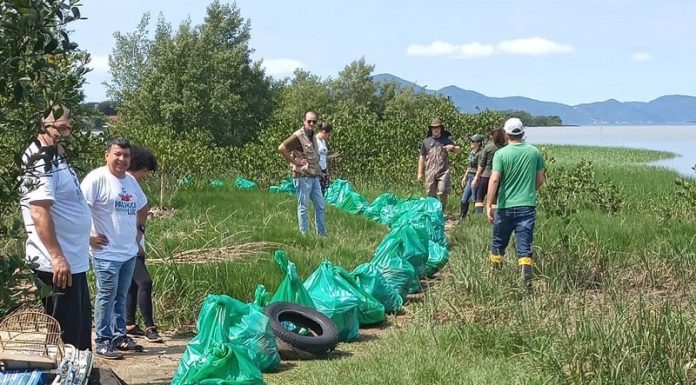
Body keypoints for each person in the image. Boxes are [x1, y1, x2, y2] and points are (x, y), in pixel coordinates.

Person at [19, 106, 92, 351]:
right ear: (42, 125)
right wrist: (57, 256)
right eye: (60, 127)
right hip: (57, 267)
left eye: (68, 127)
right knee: (65, 341)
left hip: (73, 261)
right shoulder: (39, 159)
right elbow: (39, 211)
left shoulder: (56, 155)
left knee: (79, 338)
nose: (66, 133)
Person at [81, 137, 148, 359]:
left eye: (126, 155)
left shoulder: (130, 181)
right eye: (117, 154)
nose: (121, 159)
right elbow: (80, 208)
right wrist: (88, 236)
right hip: (105, 253)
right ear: (107, 155)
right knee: (106, 295)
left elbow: (142, 206)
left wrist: (139, 232)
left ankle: (120, 337)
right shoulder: (96, 179)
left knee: (121, 295)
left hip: (127, 251)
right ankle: (102, 340)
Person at [486, 118, 545, 290]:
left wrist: (489, 204)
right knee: (524, 245)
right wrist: (528, 191)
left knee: (498, 242)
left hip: (505, 207)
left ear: (506, 134)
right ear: (523, 133)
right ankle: (526, 282)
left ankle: (495, 278)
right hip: (527, 206)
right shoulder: (534, 152)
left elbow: (495, 179)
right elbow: (541, 180)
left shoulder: (501, 154)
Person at [124, 145, 163, 343]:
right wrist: (137, 242)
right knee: (145, 282)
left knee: (132, 285)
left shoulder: (129, 184)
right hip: (129, 245)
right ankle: (150, 326)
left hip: (134, 242)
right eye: (145, 170)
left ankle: (129, 322)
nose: (145, 175)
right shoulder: (129, 183)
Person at [278, 111, 326, 236]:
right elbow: (282, 148)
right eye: (309, 121)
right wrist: (294, 161)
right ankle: (304, 235)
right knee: (303, 207)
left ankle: (321, 234)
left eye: (314, 121)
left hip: (314, 176)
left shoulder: (313, 136)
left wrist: (320, 173)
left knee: (320, 206)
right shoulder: (298, 136)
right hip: (302, 177)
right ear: (304, 121)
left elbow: (313, 157)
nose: (311, 123)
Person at [417, 118, 461, 211]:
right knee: (430, 193)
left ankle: (441, 209)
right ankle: (434, 211)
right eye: (433, 127)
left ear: (441, 128)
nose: (435, 129)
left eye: (437, 127)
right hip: (430, 171)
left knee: (443, 190)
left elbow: (458, 150)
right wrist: (420, 173)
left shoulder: (446, 140)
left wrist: (452, 147)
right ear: (431, 129)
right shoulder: (426, 142)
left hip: (443, 171)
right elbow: (422, 157)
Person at [472, 127, 506, 213]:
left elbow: (482, 163)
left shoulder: (488, 147)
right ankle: (493, 217)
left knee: (479, 197)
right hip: (498, 176)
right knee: (494, 197)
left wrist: (477, 177)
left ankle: (478, 217)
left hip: (486, 175)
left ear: (492, 136)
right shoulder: (504, 148)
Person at [459, 133, 485, 220]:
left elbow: (480, 167)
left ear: (478, 143)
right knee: (464, 198)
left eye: (473, 141)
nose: (471, 142)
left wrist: (477, 178)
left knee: (475, 198)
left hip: (475, 176)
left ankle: (476, 219)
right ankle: (462, 217)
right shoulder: (472, 152)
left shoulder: (481, 153)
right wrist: (464, 176)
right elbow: (469, 166)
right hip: (470, 175)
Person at [316, 122, 340, 196]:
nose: (329, 136)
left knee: (322, 192)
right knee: (318, 193)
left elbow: (323, 157)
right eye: (328, 134)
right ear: (324, 132)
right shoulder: (315, 141)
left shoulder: (323, 141)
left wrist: (333, 156)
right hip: (317, 170)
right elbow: (314, 157)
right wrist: (319, 172)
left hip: (323, 169)